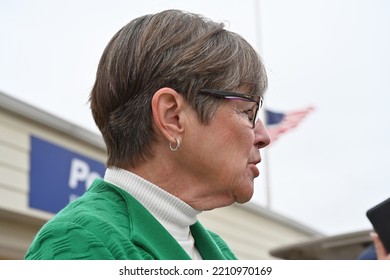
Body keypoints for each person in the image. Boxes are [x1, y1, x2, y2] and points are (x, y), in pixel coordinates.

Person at [25, 9, 271, 260]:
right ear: (172, 116)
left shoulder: (218, 251)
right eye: (247, 111)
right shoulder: (78, 242)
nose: (263, 136)